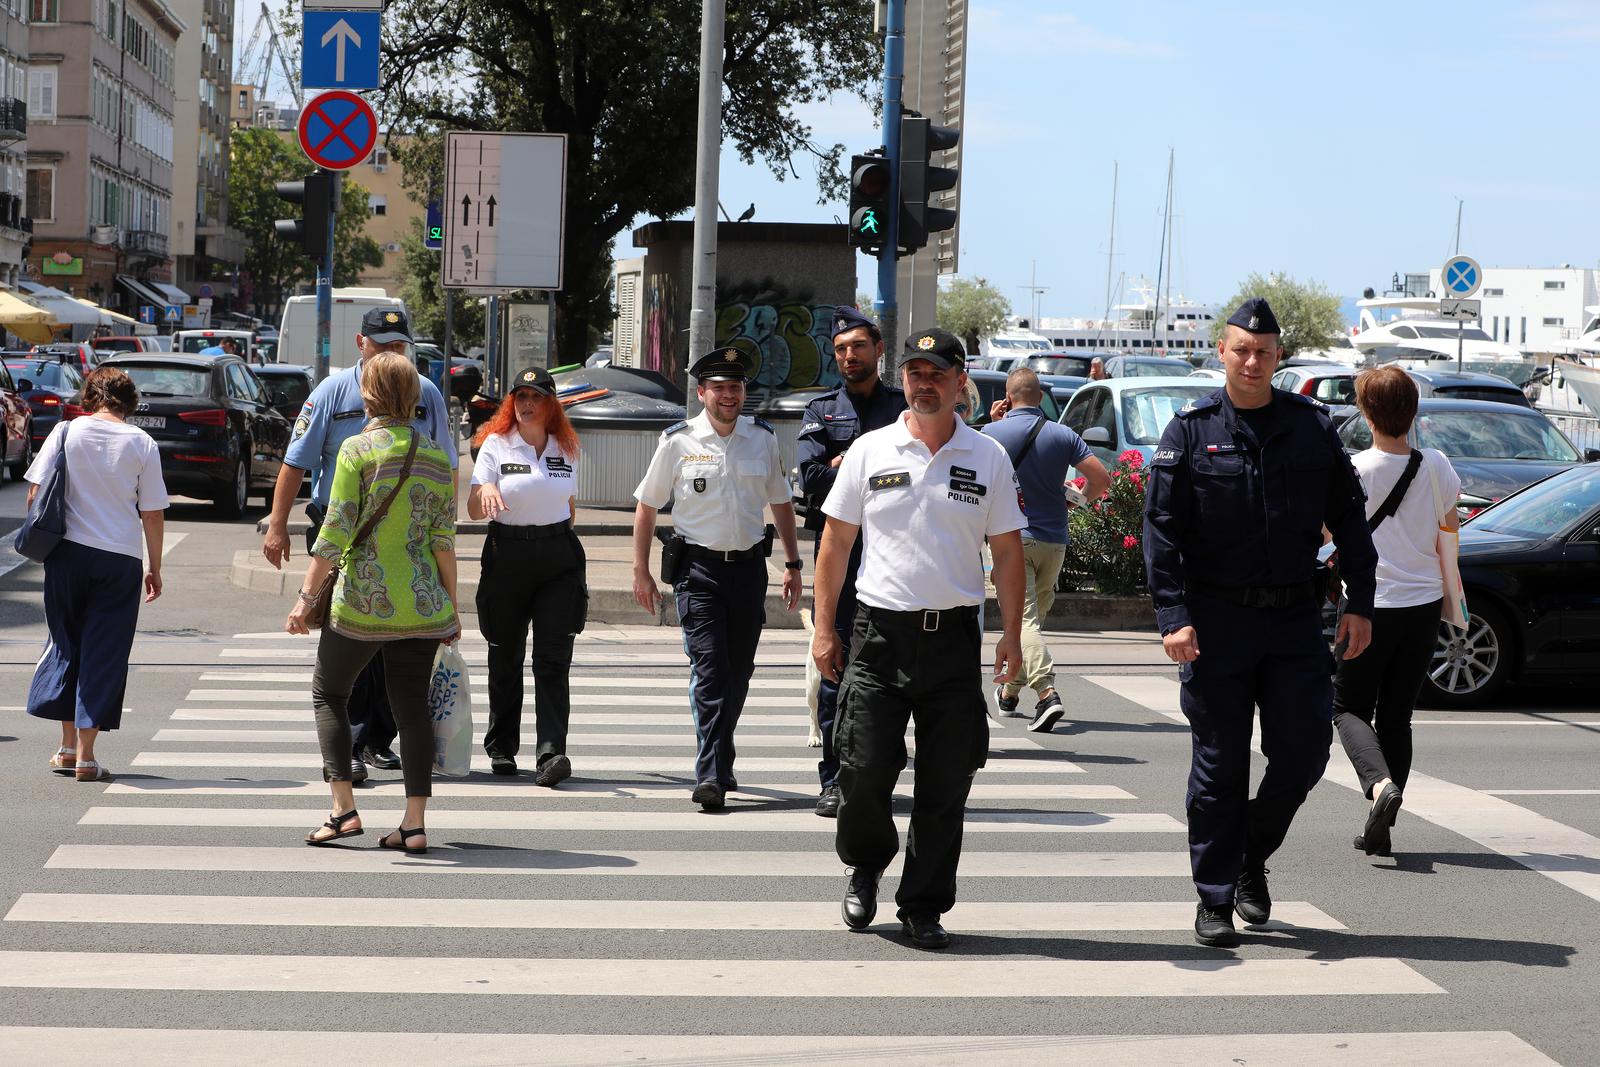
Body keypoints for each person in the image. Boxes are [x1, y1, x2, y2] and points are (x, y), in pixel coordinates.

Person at [1142, 296, 1378, 949]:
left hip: (1296, 619)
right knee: (1219, 767)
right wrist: (1172, 615)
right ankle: (1215, 897)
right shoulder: (1188, 432)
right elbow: (1160, 532)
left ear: (1278, 358)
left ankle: (1249, 853)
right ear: (1221, 351)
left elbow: (1351, 518)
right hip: (1215, 621)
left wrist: (1361, 600)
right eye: (1241, 349)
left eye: (1264, 352)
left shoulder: (1310, 427)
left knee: (1303, 753)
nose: (1252, 361)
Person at [812, 326, 1027, 951]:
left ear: (963, 381)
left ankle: (924, 904)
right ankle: (866, 865)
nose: (923, 382)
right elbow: (835, 543)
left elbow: (1008, 553)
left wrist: (1010, 636)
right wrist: (824, 629)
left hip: (953, 640)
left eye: (937, 372)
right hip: (879, 636)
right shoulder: (870, 450)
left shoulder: (988, 456)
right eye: (914, 372)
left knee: (946, 781)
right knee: (861, 769)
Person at [262, 308, 457, 782]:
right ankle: (351, 743)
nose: (390, 351)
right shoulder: (332, 391)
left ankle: (375, 740)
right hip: (344, 528)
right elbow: (296, 461)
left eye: (398, 343)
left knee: (396, 652)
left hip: (405, 535)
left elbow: (445, 467)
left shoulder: (424, 393)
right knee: (349, 646)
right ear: (360, 343)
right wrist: (277, 523)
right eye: (381, 342)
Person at [287, 350, 460, 852]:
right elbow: (443, 541)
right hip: (424, 604)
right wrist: (451, 608)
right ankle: (414, 823)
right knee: (411, 708)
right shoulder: (433, 456)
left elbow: (334, 530)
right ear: (413, 396)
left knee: (330, 693)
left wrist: (303, 599)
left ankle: (343, 809)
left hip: (362, 602)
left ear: (369, 394)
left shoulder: (357, 452)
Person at [631, 346, 803, 810]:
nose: (730, 395)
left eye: (736, 386)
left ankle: (720, 754)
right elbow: (647, 505)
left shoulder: (761, 438)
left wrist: (792, 564)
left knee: (739, 673)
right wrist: (641, 570)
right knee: (710, 670)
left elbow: (781, 503)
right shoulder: (678, 440)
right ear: (702, 392)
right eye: (720, 387)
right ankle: (710, 773)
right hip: (698, 571)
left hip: (747, 570)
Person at [1335, 366, 1459, 857]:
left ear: (1366, 413)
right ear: (1414, 411)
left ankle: (1378, 785)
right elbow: (1449, 528)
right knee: (1397, 716)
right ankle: (1380, 828)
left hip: (1368, 605)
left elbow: (1329, 536)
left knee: (1345, 707)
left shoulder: (1355, 470)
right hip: (1425, 604)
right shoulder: (1437, 465)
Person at [25, 367, 168, 783]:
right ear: (131, 402)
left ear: (91, 396)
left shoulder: (67, 432)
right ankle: (87, 757)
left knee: (65, 642)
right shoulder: (142, 443)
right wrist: (154, 566)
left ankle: (66, 747)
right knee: (104, 652)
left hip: (67, 555)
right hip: (119, 559)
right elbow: (153, 512)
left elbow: (35, 491)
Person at [795, 307, 906, 817]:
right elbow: (812, 479)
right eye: (841, 349)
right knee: (834, 667)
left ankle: (879, 770)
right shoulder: (821, 411)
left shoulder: (905, 409)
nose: (849, 356)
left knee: (891, 673)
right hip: (838, 555)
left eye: (858, 346)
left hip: (892, 556)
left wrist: (846, 464)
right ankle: (834, 781)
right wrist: (858, 464)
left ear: (878, 350)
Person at [469, 366, 587, 784]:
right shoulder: (496, 445)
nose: (527, 404)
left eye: (536, 397)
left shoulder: (567, 447)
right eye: (521, 397)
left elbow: (568, 506)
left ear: (551, 404)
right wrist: (483, 490)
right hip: (508, 556)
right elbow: (472, 504)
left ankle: (551, 753)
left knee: (553, 659)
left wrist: (558, 539)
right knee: (505, 655)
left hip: (557, 558)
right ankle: (502, 749)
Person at [983, 367, 1111, 731]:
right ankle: (1009, 692)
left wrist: (995, 423)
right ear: (1040, 398)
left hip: (1013, 541)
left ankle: (1047, 693)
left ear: (1007, 399)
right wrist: (1079, 500)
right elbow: (1101, 478)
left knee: (1021, 621)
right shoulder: (1063, 434)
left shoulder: (991, 434)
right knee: (1031, 622)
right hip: (1055, 540)